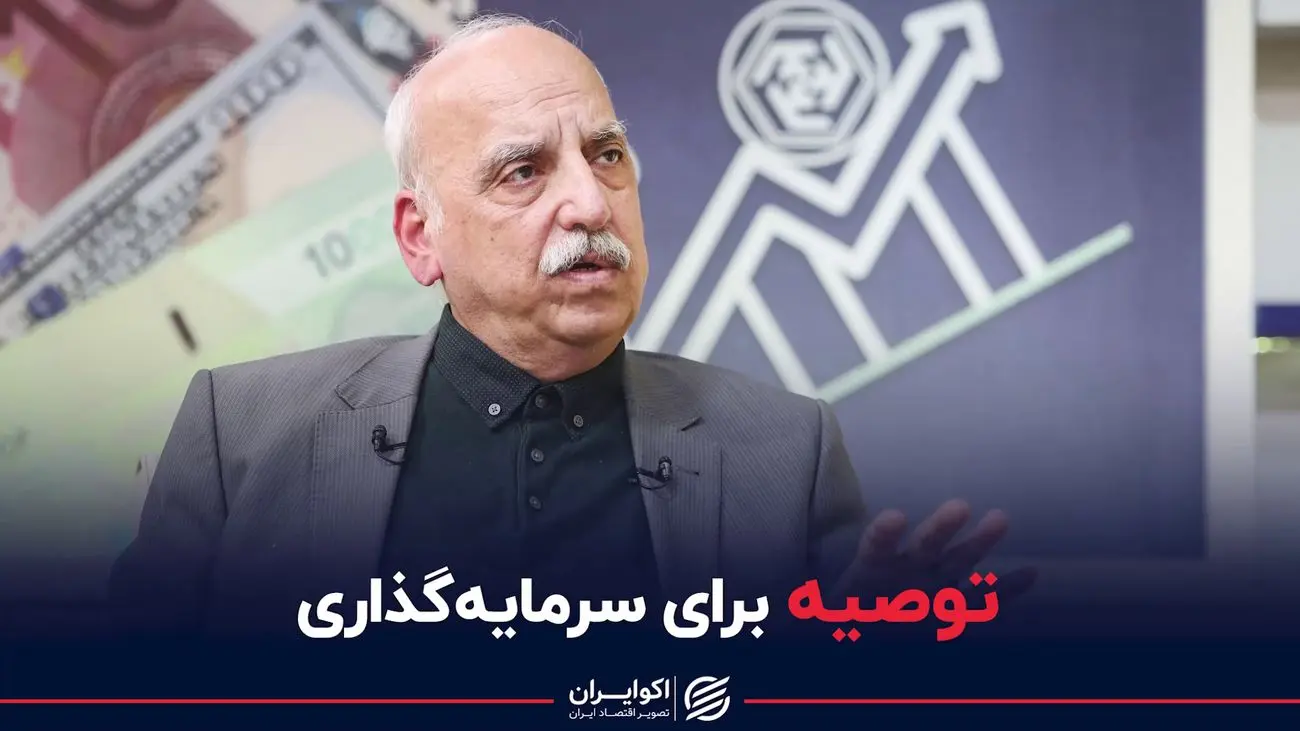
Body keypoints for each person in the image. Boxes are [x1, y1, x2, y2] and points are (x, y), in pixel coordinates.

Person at [109, 13, 1029, 634]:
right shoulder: (243, 436)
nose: (591, 202)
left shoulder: (784, 453)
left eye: (608, 154)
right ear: (421, 237)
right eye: (524, 171)